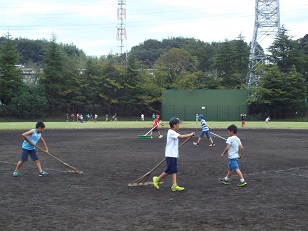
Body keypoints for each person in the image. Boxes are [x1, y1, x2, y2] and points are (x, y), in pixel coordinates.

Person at [153, 117, 195, 191]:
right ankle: (157, 179)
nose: (179, 126)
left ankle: (174, 185)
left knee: (174, 170)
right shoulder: (171, 132)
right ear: (174, 125)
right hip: (170, 154)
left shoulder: (173, 132)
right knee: (169, 170)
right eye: (178, 124)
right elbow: (181, 137)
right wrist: (190, 134)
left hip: (173, 154)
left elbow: (180, 137)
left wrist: (189, 136)